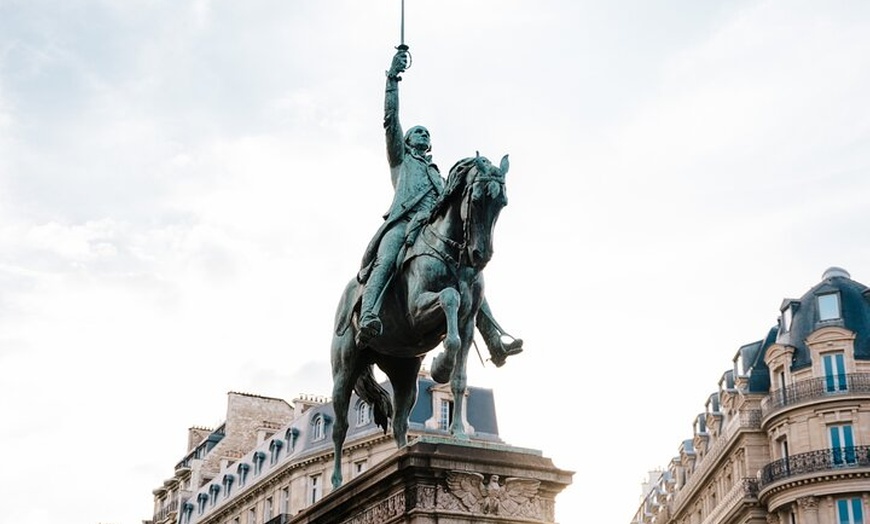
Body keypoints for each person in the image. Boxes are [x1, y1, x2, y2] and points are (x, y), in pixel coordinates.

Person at [356, 48, 522, 367]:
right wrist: (393, 78)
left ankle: (493, 340)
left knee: (469, 274)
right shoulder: (401, 160)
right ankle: (368, 316)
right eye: (417, 131)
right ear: (407, 141)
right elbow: (391, 120)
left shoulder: (437, 173)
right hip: (404, 225)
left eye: (426, 133)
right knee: (387, 258)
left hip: (434, 229)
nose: (423, 134)